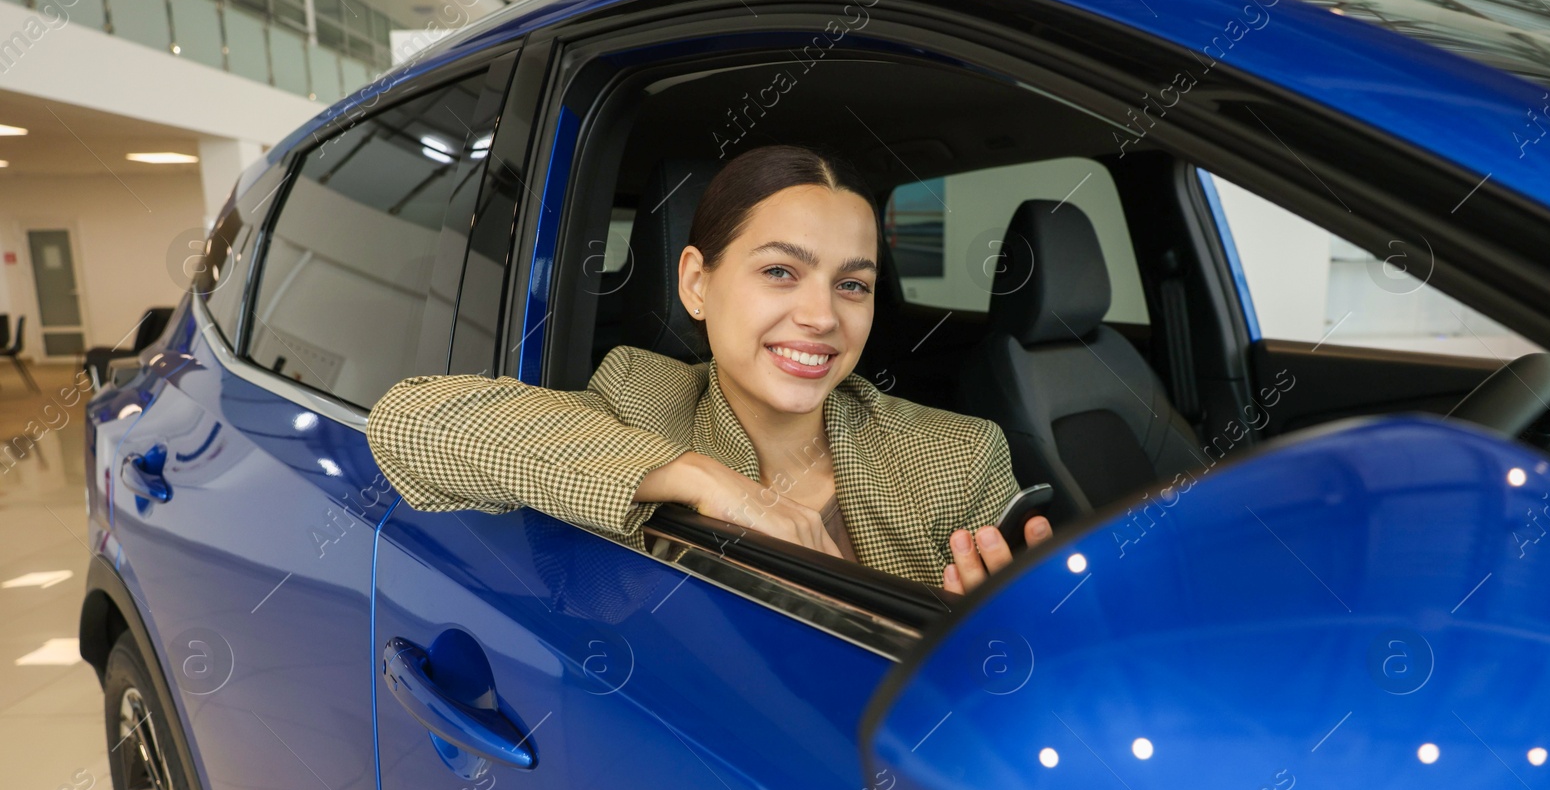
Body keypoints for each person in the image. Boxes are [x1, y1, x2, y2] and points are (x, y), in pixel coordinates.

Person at [366, 143, 1052, 594]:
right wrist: (705, 480)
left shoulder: (957, 455)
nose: (821, 317)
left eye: (853, 284)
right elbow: (412, 421)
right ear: (696, 283)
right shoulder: (642, 396)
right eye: (781, 271)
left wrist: (979, 638)